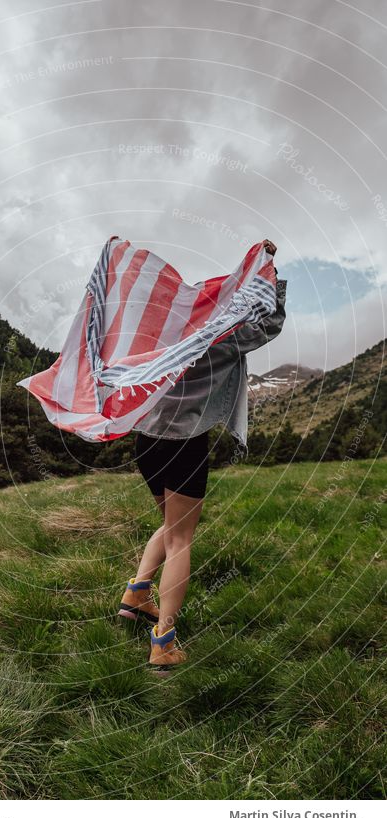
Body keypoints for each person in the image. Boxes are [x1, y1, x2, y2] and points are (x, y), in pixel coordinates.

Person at [117, 239, 287, 674]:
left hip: (146, 442)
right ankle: (164, 645)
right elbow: (269, 325)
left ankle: (136, 594)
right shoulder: (221, 342)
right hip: (184, 443)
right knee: (181, 538)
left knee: (170, 526)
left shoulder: (163, 341)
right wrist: (269, 268)